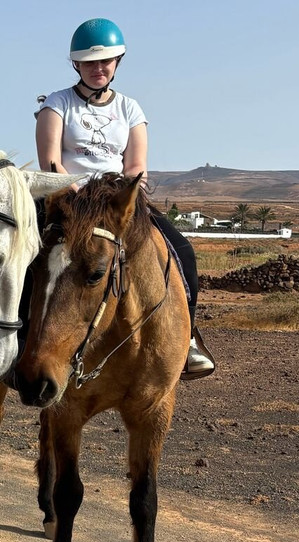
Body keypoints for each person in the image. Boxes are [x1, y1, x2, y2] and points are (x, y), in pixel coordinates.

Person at [34, 18, 215, 379]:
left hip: (117, 202)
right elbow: (51, 164)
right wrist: (82, 197)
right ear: (76, 65)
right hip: (68, 202)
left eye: (105, 61)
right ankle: (16, 333)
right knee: (27, 254)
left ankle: (188, 338)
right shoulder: (57, 105)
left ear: (118, 62)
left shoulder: (131, 109)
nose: (97, 68)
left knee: (184, 252)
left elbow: (136, 167)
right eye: (88, 62)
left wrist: (114, 198)